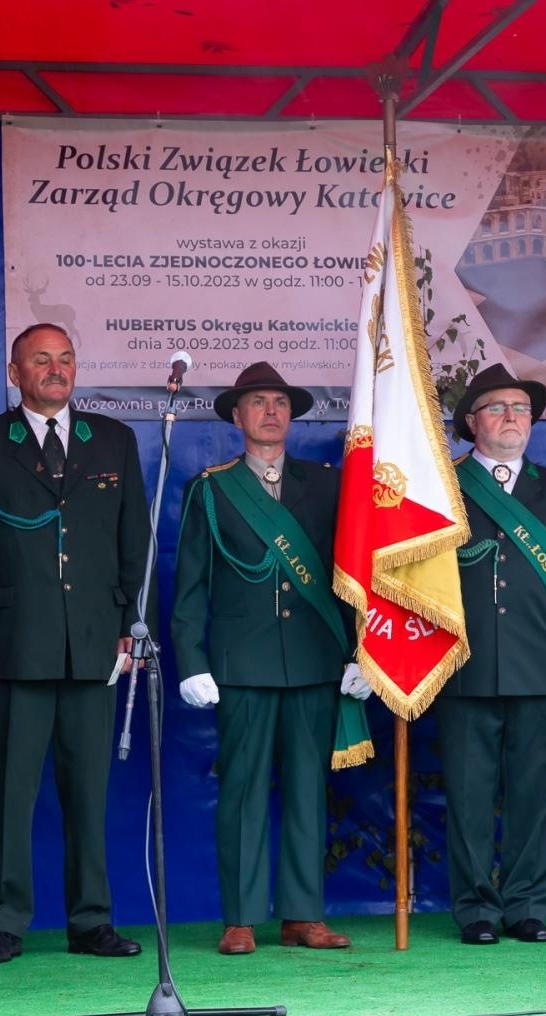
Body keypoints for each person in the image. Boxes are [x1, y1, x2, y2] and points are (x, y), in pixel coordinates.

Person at [0, 323, 149, 964]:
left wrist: (133, 627)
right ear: (15, 373)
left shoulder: (113, 440)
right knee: (11, 794)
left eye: (65, 359)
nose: (55, 370)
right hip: (12, 646)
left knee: (89, 794)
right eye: (41, 360)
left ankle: (92, 921)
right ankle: (6, 923)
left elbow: (134, 546)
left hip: (94, 648)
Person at [171, 361, 368, 956]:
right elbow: (190, 585)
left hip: (314, 659)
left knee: (309, 789)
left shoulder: (328, 485)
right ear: (236, 415)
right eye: (258, 401)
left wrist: (361, 650)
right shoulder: (211, 487)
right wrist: (191, 659)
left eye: (280, 401)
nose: (271, 411)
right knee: (244, 791)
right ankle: (242, 916)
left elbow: (353, 575)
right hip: (241, 663)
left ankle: (304, 915)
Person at [436, 365, 546, 945]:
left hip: (540, 664)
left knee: (534, 792)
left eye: (521, 409)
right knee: (467, 793)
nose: (512, 418)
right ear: (471, 423)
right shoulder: (443, 485)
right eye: (497, 408)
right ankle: (475, 910)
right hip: (463, 664)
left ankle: (527, 904)